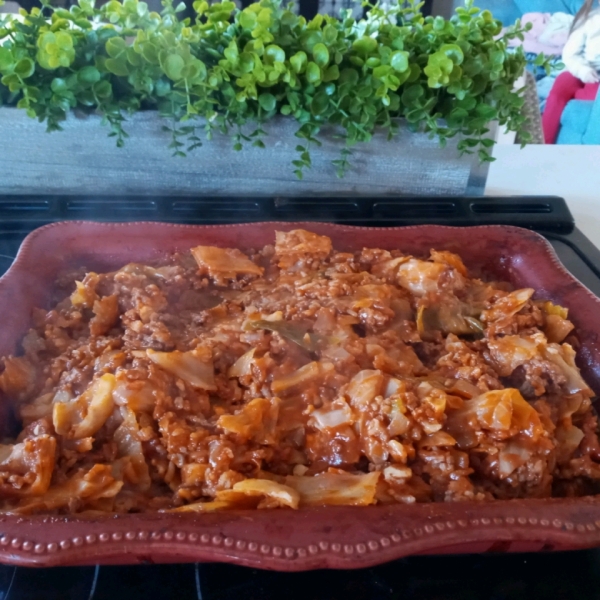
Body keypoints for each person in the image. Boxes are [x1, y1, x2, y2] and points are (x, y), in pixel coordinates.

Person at [542, 0, 600, 144]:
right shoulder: (589, 20)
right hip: (588, 72)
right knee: (563, 80)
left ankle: (584, 95)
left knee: (590, 94)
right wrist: (583, 71)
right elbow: (570, 54)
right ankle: (541, 143)